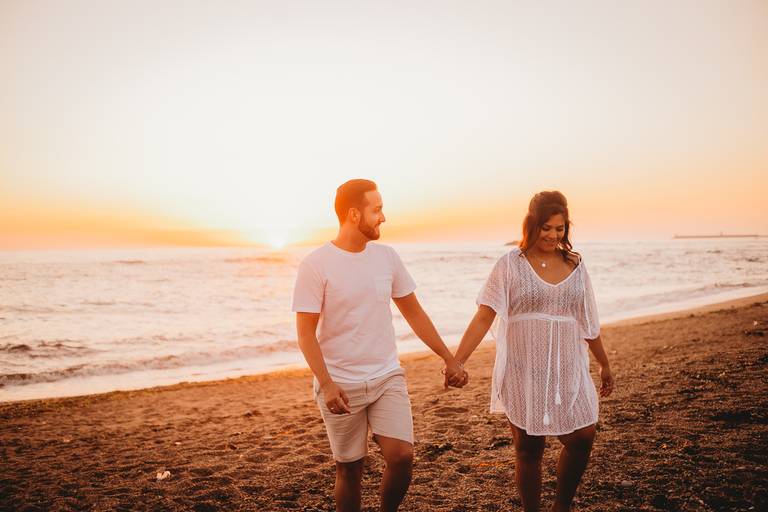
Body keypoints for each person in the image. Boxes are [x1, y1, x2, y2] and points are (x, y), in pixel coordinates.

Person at [292, 179, 467, 512]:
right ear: (355, 215)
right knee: (350, 469)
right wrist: (327, 385)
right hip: (341, 383)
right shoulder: (315, 265)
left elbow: (414, 313)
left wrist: (449, 358)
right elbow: (305, 335)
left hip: (387, 375)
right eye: (377, 209)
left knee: (402, 456)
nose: (383, 217)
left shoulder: (387, 257)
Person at [452, 191, 614, 512]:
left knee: (582, 437)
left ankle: (561, 507)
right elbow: (485, 314)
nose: (554, 236)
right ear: (532, 225)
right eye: (546, 228)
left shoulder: (575, 264)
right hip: (524, 367)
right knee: (528, 450)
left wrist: (604, 364)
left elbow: (588, 320)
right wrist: (457, 360)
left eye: (560, 229)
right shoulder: (510, 264)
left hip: (569, 366)